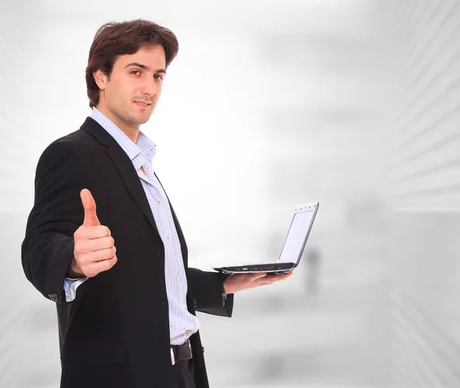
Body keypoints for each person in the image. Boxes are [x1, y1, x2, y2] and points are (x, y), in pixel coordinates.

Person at [21, 19, 292, 388]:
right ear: (101, 77)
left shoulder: (140, 162)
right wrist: (72, 258)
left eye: (159, 76)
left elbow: (151, 274)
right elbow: (37, 248)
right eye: (136, 72)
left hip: (181, 370)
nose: (150, 88)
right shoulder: (72, 154)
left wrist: (225, 284)